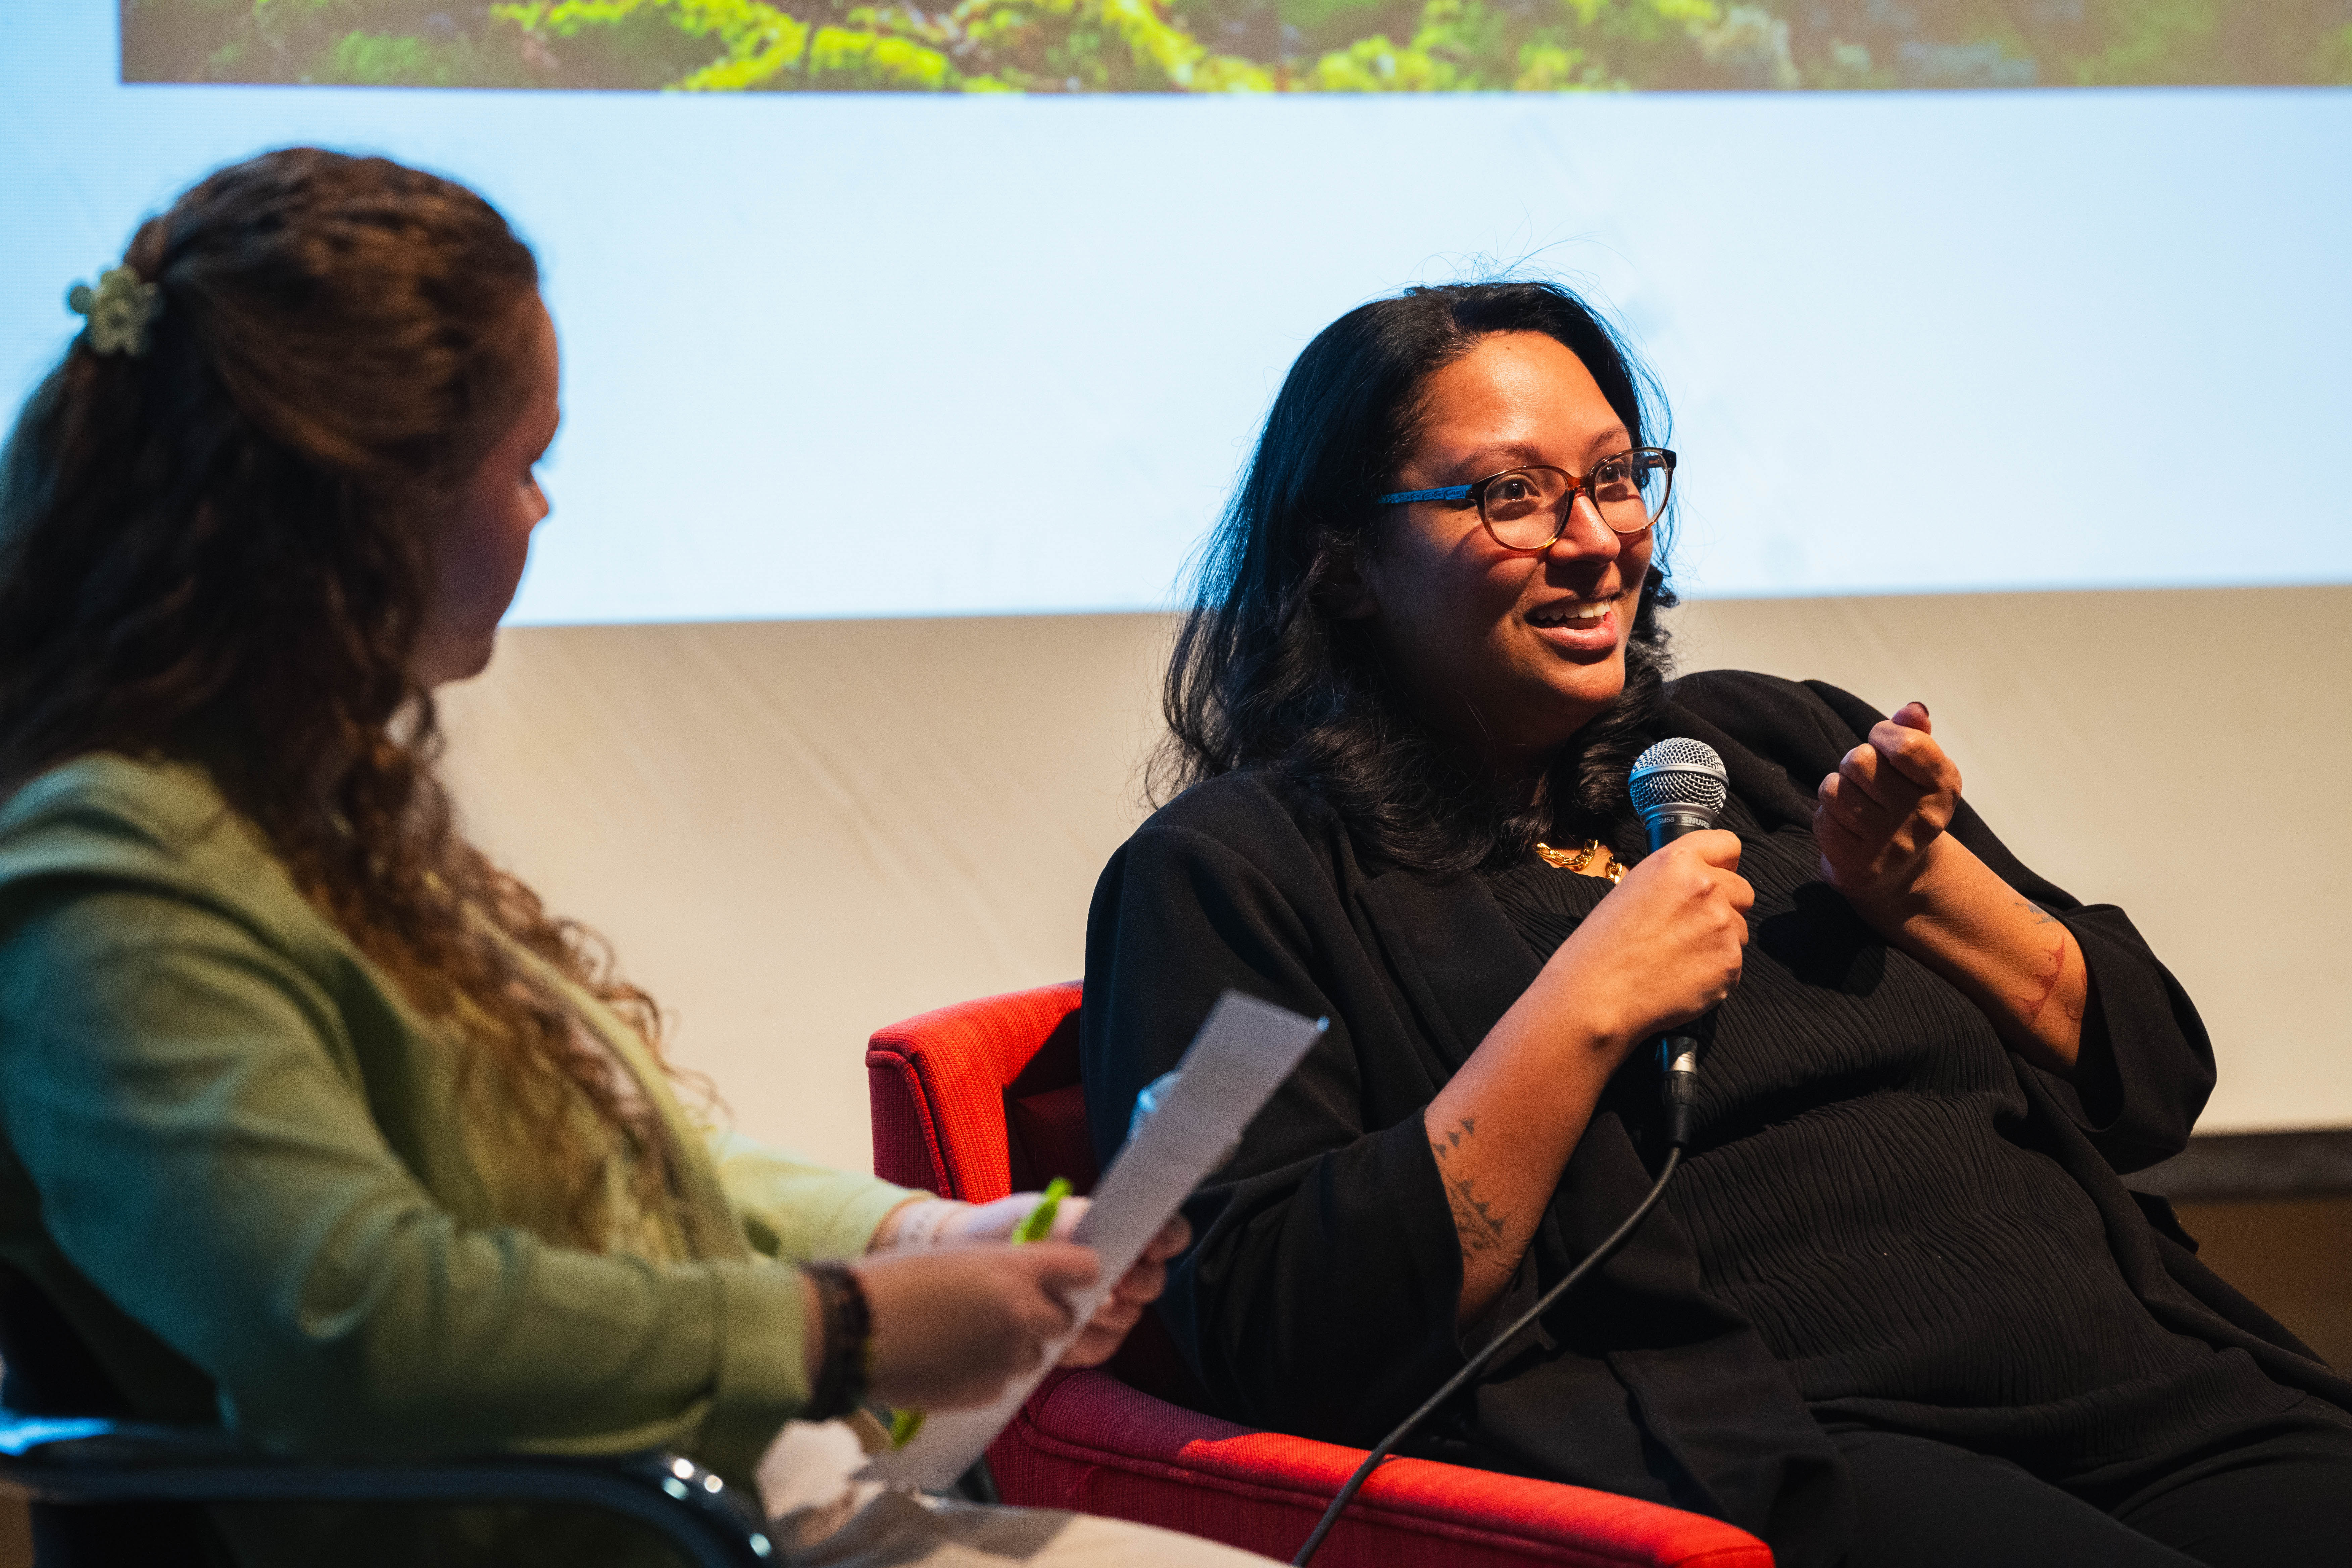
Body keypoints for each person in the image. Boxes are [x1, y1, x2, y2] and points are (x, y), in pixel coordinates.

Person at [0, 148, 1249, 1568]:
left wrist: (912, 1239)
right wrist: (837, 1327)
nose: (543, 512)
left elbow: (603, 1159)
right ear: (358, 508)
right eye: (524, 464)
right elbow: (361, 1321)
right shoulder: (113, 878)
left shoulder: (294, 813)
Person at [1078, 280, 2352, 1568]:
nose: (1595, 540)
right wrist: (1583, 1009)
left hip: (2151, 1386)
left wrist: (1928, 896)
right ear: (1341, 561)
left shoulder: (1771, 743)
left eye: (1618, 477)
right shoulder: (1239, 873)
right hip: (1801, 1455)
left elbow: (2153, 1082)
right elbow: (1277, 1332)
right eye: (1510, 496)